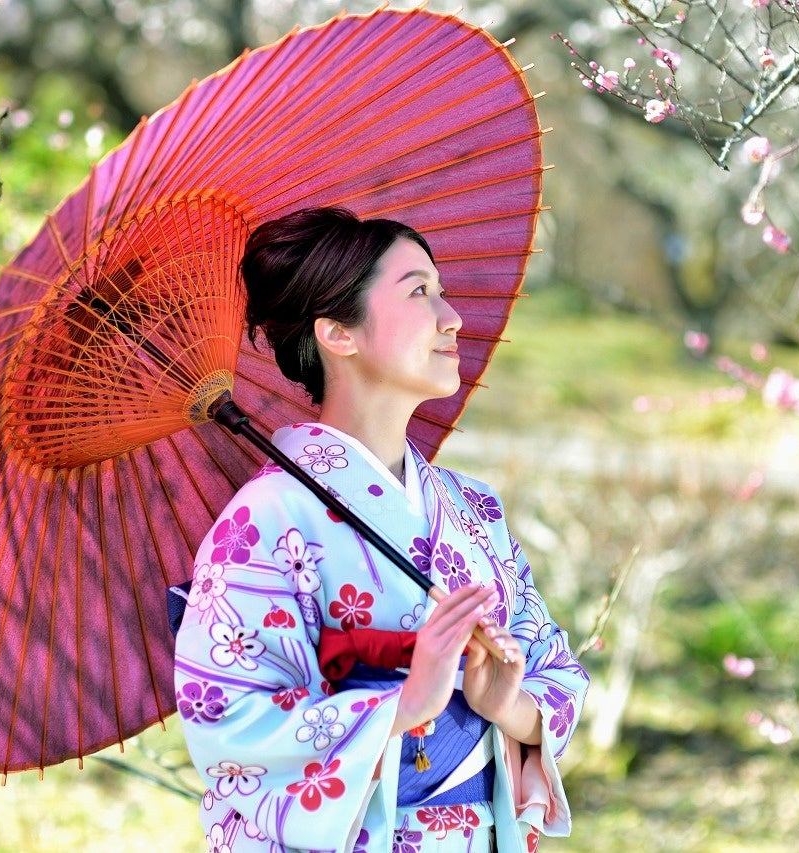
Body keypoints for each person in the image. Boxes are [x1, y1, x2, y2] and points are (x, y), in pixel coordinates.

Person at [173, 207, 588, 853]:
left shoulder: (473, 507)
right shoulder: (268, 518)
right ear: (339, 332)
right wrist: (404, 703)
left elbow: (555, 668)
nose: (451, 316)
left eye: (442, 291)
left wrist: (506, 703)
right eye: (420, 291)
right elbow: (230, 723)